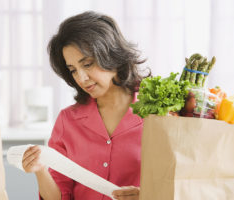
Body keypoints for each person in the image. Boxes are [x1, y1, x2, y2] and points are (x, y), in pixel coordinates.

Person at [22, 11, 149, 200]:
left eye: (88, 64)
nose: (81, 78)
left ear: (111, 54)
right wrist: (40, 170)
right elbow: (59, 196)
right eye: (73, 70)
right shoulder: (68, 121)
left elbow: (177, 182)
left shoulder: (159, 112)